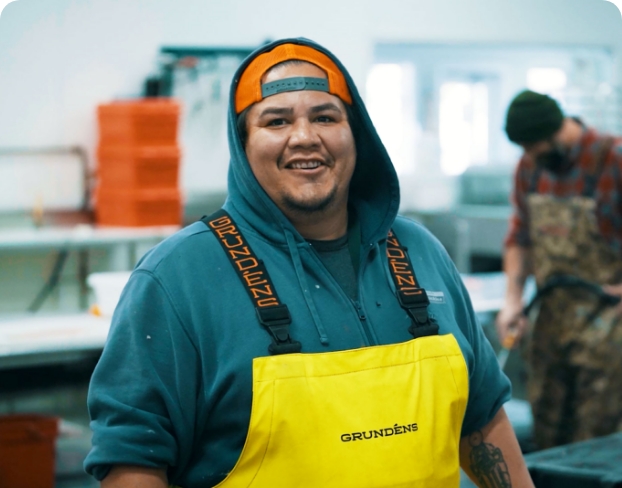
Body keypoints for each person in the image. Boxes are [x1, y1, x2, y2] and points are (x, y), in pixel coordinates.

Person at [85, 38, 532, 487]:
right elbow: (134, 458)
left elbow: (483, 415)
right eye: (276, 121)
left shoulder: (420, 252)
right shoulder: (176, 277)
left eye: (325, 117)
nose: (304, 137)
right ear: (243, 145)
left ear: (356, 134)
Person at [497, 89, 622, 450]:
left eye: (533, 146)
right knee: (548, 433)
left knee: (596, 440)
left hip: (608, 324)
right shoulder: (531, 166)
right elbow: (519, 238)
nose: (529, 156)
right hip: (551, 317)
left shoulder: (612, 158)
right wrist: (513, 301)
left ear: (556, 130)